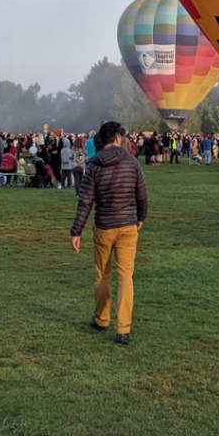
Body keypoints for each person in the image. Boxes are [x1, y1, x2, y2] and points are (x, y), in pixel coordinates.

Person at [70, 121, 148, 346]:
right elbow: (141, 195)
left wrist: (76, 231)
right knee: (126, 276)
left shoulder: (94, 166)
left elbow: (85, 202)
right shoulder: (132, 162)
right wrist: (140, 217)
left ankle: (102, 319)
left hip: (104, 226)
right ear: (117, 139)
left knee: (103, 274)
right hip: (127, 226)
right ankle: (123, 328)